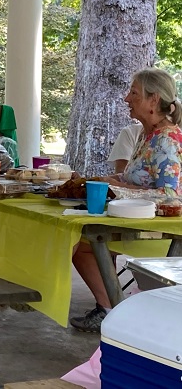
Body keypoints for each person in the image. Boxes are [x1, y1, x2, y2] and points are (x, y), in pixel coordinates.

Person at [70, 68, 182, 333]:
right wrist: (100, 179)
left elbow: (171, 197)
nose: (126, 98)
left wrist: (119, 187)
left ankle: (112, 312)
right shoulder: (148, 135)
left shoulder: (166, 140)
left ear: (153, 100)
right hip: (137, 220)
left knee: (84, 245)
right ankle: (114, 310)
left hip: (162, 230)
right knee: (84, 240)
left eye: (133, 93)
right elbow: (138, 179)